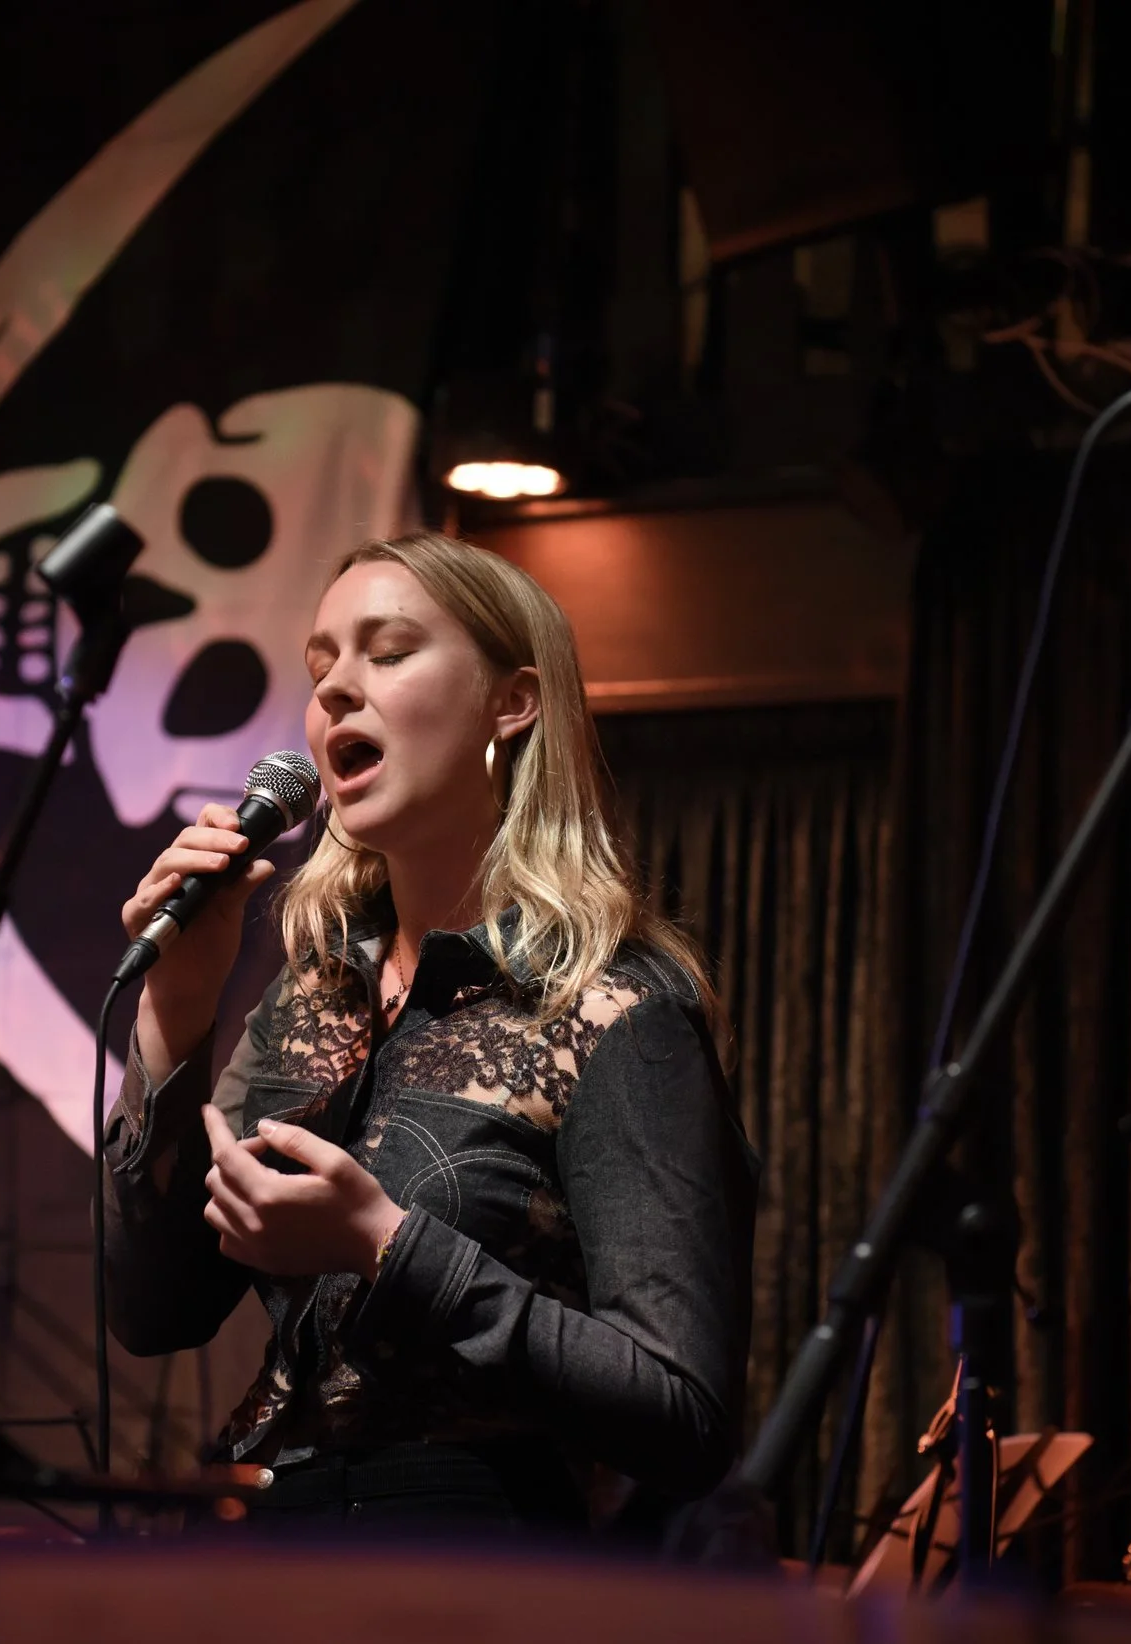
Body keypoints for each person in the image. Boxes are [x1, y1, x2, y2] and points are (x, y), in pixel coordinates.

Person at [103, 531, 755, 1536]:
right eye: (320, 665)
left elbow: (684, 1413)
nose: (333, 690)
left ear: (513, 700)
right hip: (273, 1547)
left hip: (478, 1568)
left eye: (389, 652)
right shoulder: (306, 1003)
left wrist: (384, 1246)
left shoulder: (613, 1009)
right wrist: (173, 1014)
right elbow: (154, 1314)